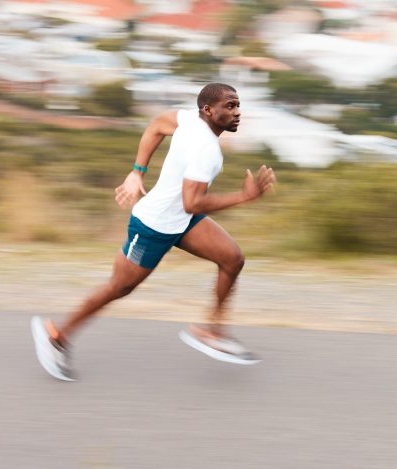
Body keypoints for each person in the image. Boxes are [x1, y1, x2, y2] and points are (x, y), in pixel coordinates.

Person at [31, 83, 276, 381]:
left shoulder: (189, 120)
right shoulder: (207, 150)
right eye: (230, 106)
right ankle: (57, 336)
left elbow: (157, 125)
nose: (237, 113)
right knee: (119, 288)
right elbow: (192, 202)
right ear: (209, 111)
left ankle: (212, 331)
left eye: (238, 105)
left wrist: (138, 171)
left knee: (232, 259)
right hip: (154, 225)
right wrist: (244, 196)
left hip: (182, 222)